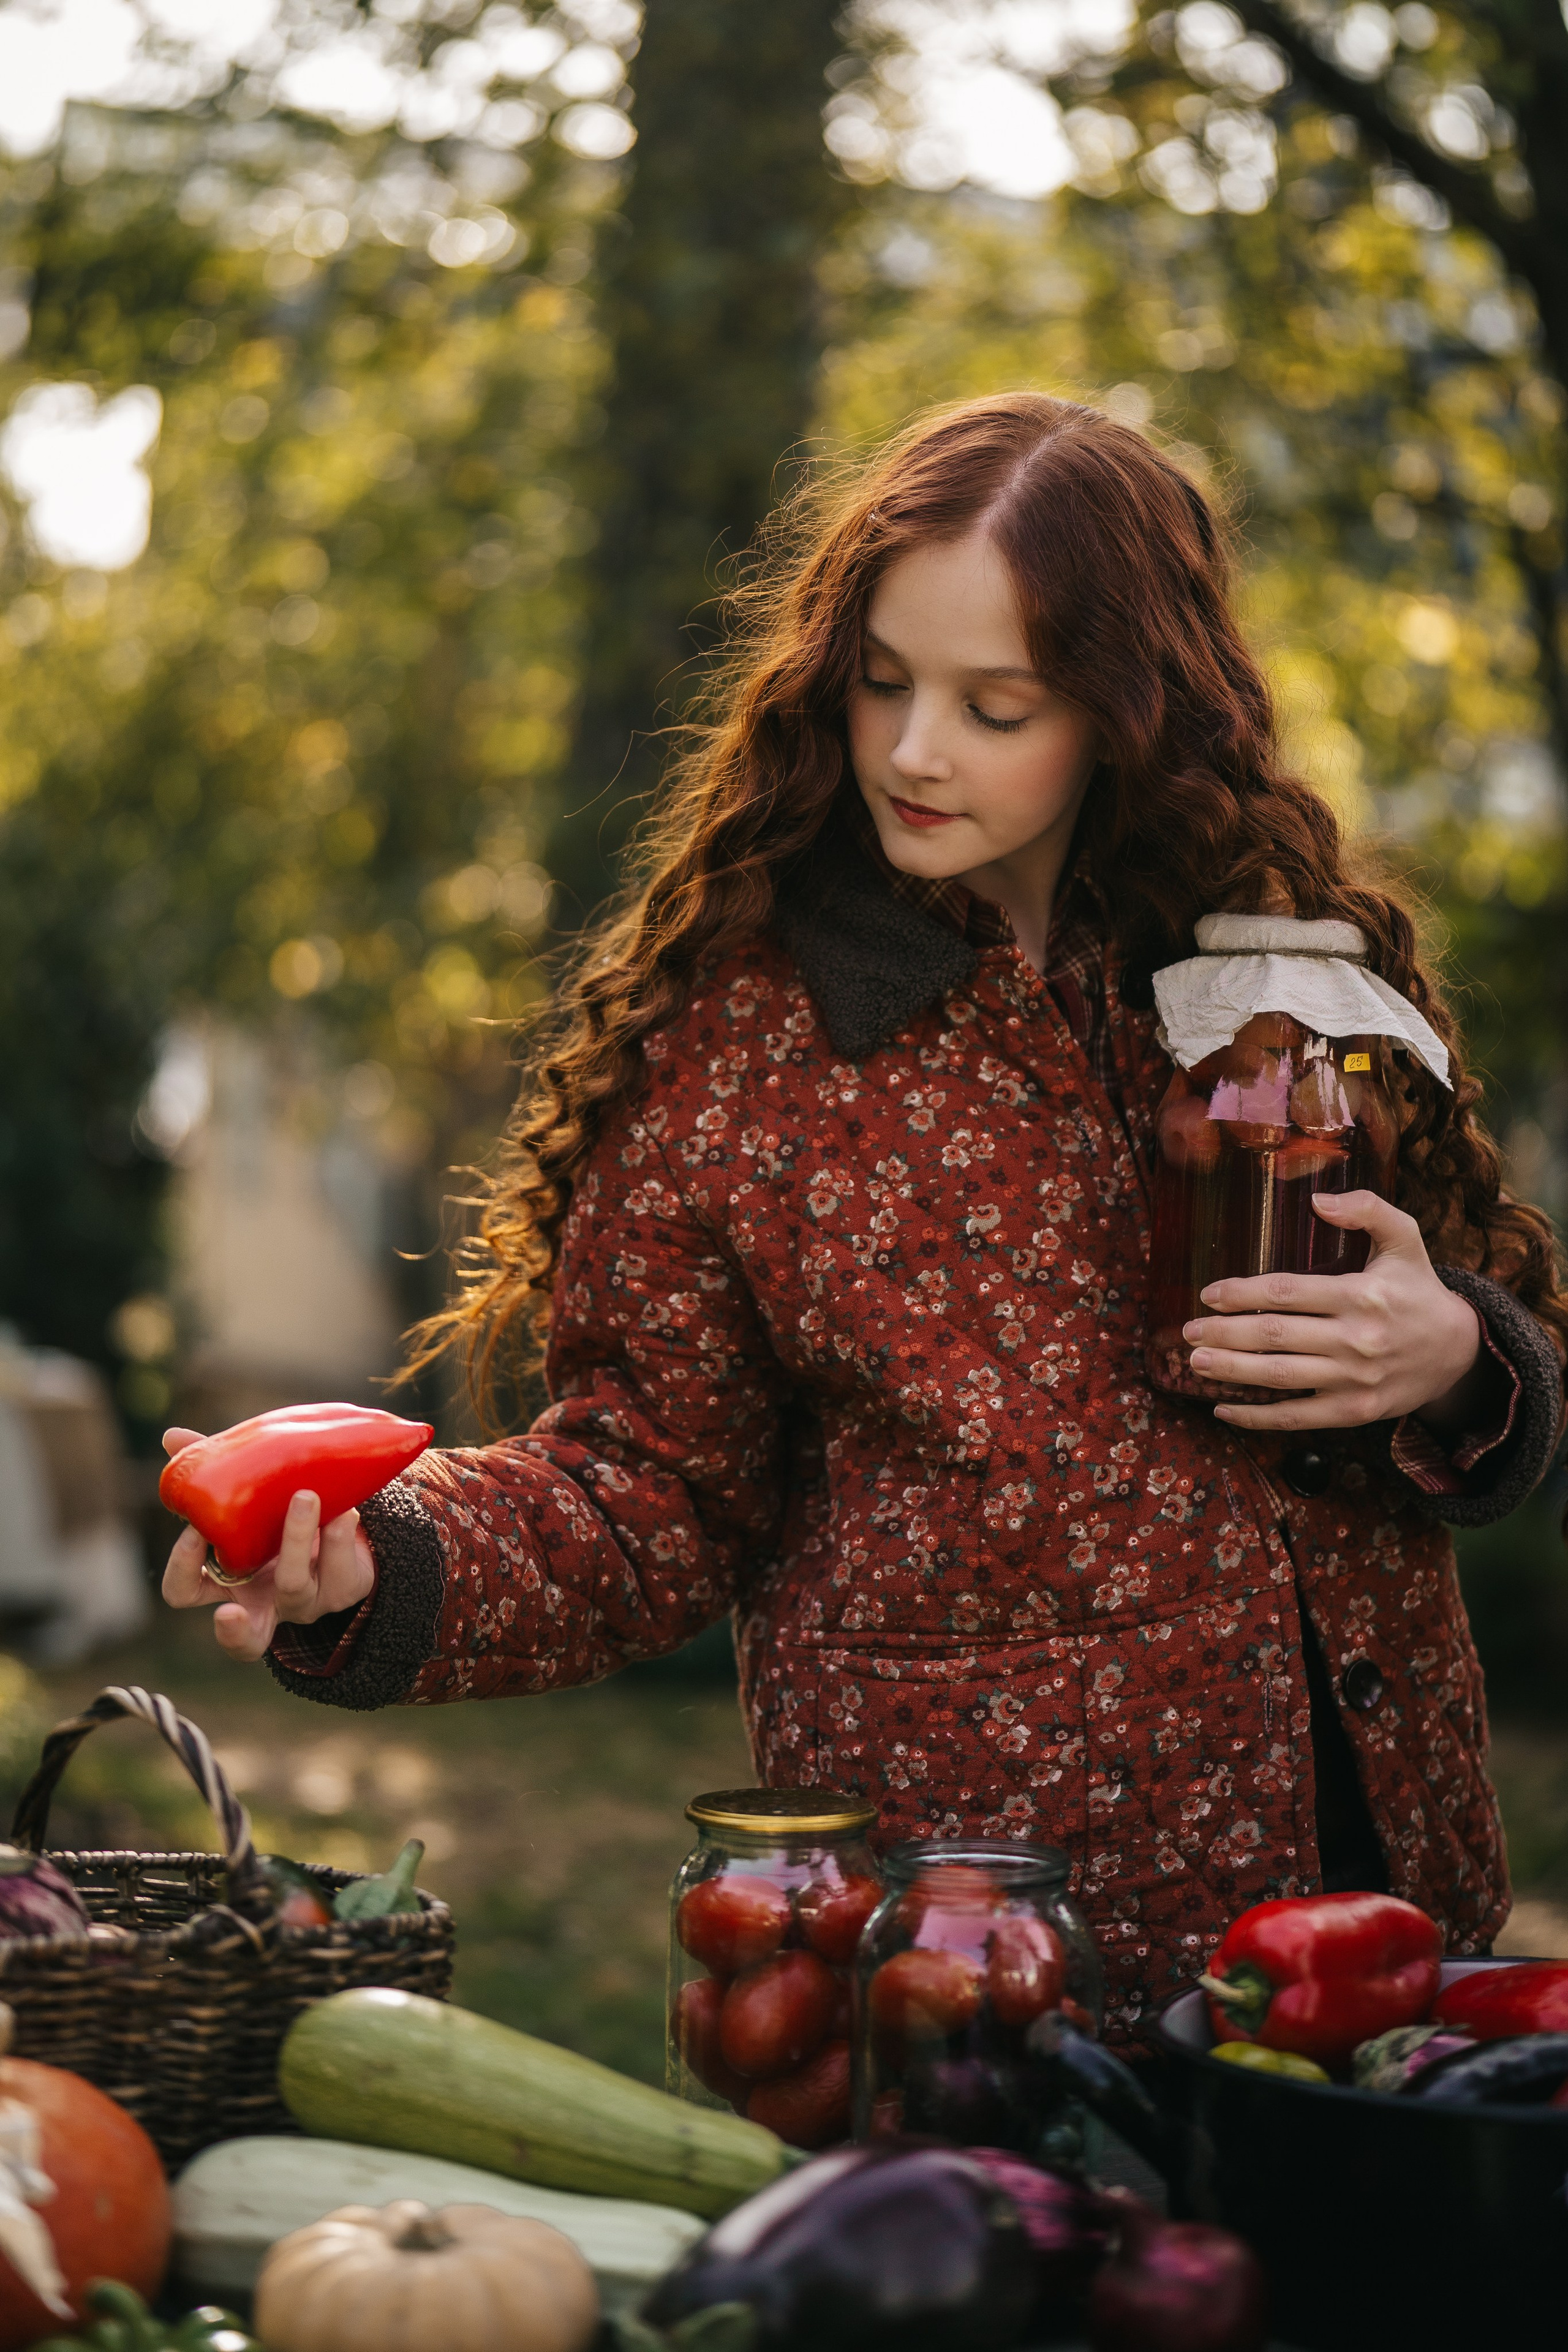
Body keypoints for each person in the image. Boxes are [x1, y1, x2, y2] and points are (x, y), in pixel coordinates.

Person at [163, 394, 1566, 2035]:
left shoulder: (1286, 975)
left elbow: (1476, 1342)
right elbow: (647, 1494)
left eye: (997, 704)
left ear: (1130, 705)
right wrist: (376, 1572)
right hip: (979, 1946)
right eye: (885, 682)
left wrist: (1465, 1358)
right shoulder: (744, 1048)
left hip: (1379, 1900)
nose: (914, 749)